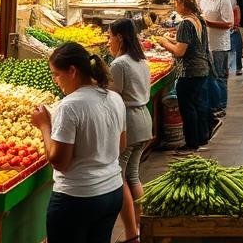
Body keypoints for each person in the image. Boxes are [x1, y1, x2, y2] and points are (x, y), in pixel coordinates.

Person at [30, 42, 126, 243]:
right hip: (112, 192)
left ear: (72, 71)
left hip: (78, 198)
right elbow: (121, 145)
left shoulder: (70, 106)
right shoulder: (115, 98)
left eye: (56, 74)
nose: (55, 80)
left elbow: (59, 162)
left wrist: (44, 126)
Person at [152, 0, 218, 154]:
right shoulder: (198, 20)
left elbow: (180, 51)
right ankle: (201, 137)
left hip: (190, 71)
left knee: (187, 107)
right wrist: (171, 39)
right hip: (202, 68)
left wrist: (162, 42)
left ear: (182, 4)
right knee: (195, 105)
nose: (175, 6)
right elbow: (192, 43)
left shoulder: (185, 24)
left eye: (176, 3)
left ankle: (190, 144)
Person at [107, 19, 154, 243]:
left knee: (119, 176)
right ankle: (139, 226)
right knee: (133, 175)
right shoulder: (141, 61)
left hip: (129, 122)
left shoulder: (119, 64)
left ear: (120, 37)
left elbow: (113, 95)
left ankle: (131, 233)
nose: (108, 42)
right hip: (144, 119)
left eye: (109, 37)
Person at [199, 0, 234, 116]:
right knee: (210, 77)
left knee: (219, 76)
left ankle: (221, 106)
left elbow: (229, 24)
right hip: (207, 44)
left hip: (219, 45)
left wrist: (206, 23)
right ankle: (213, 104)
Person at [227, 0, 243, 75]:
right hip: (232, 22)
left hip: (232, 22)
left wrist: (236, 23)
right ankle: (237, 67)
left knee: (234, 46)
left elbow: (237, 9)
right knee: (236, 46)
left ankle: (235, 67)